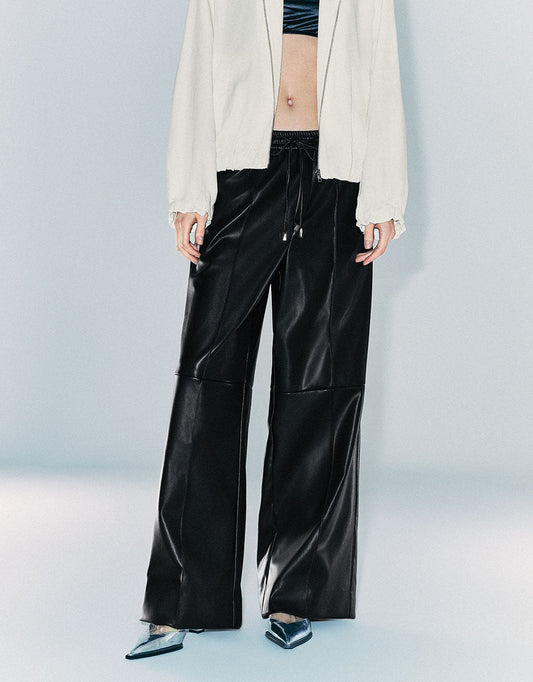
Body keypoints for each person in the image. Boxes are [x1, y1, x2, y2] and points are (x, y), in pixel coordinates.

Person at [126, 0, 408, 658]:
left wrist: (383, 196)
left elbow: (382, 70)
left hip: (335, 180)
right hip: (242, 176)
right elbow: (197, 67)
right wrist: (188, 192)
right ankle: (182, 598)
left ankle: (294, 591)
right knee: (207, 380)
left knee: (320, 384)